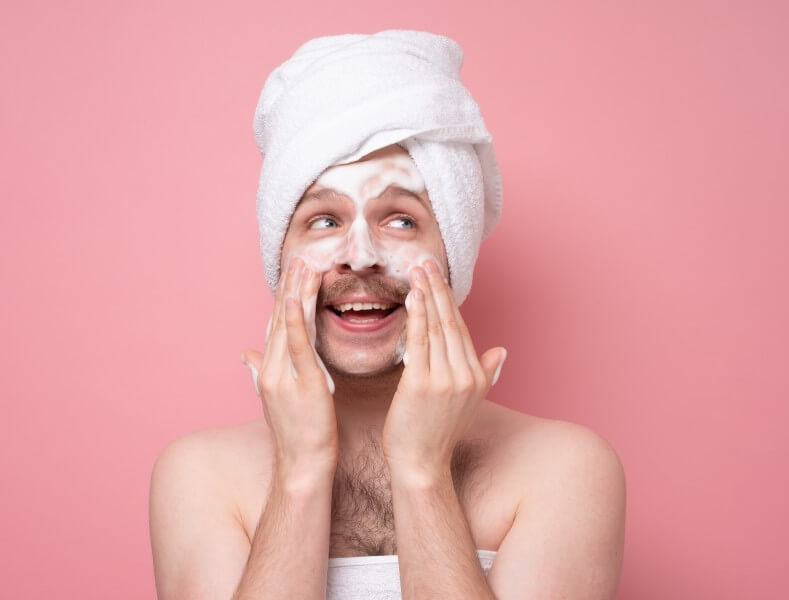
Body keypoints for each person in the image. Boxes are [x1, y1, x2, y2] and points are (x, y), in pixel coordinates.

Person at [150, 30, 626, 600]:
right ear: (280, 259)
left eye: (400, 220)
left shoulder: (565, 470)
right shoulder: (199, 477)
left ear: (454, 253)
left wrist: (421, 472)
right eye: (323, 221)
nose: (362, 255)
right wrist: (301, 471)